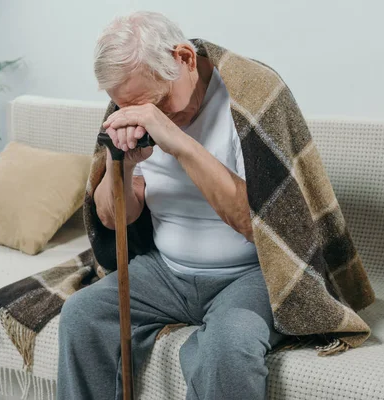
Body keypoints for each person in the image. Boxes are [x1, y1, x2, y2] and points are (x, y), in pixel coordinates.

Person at [57, 11, 286, 400]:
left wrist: (177, 143)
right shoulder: (130, 106)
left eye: (159, 102)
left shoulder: (249, 95)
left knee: (229, 346)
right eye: (130, 108)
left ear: (184, 58)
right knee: (81, 316)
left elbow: (263, 224)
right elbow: (114, 221)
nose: (150, 118)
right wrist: (123, 170)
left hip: (250, 274)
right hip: (165, 271)